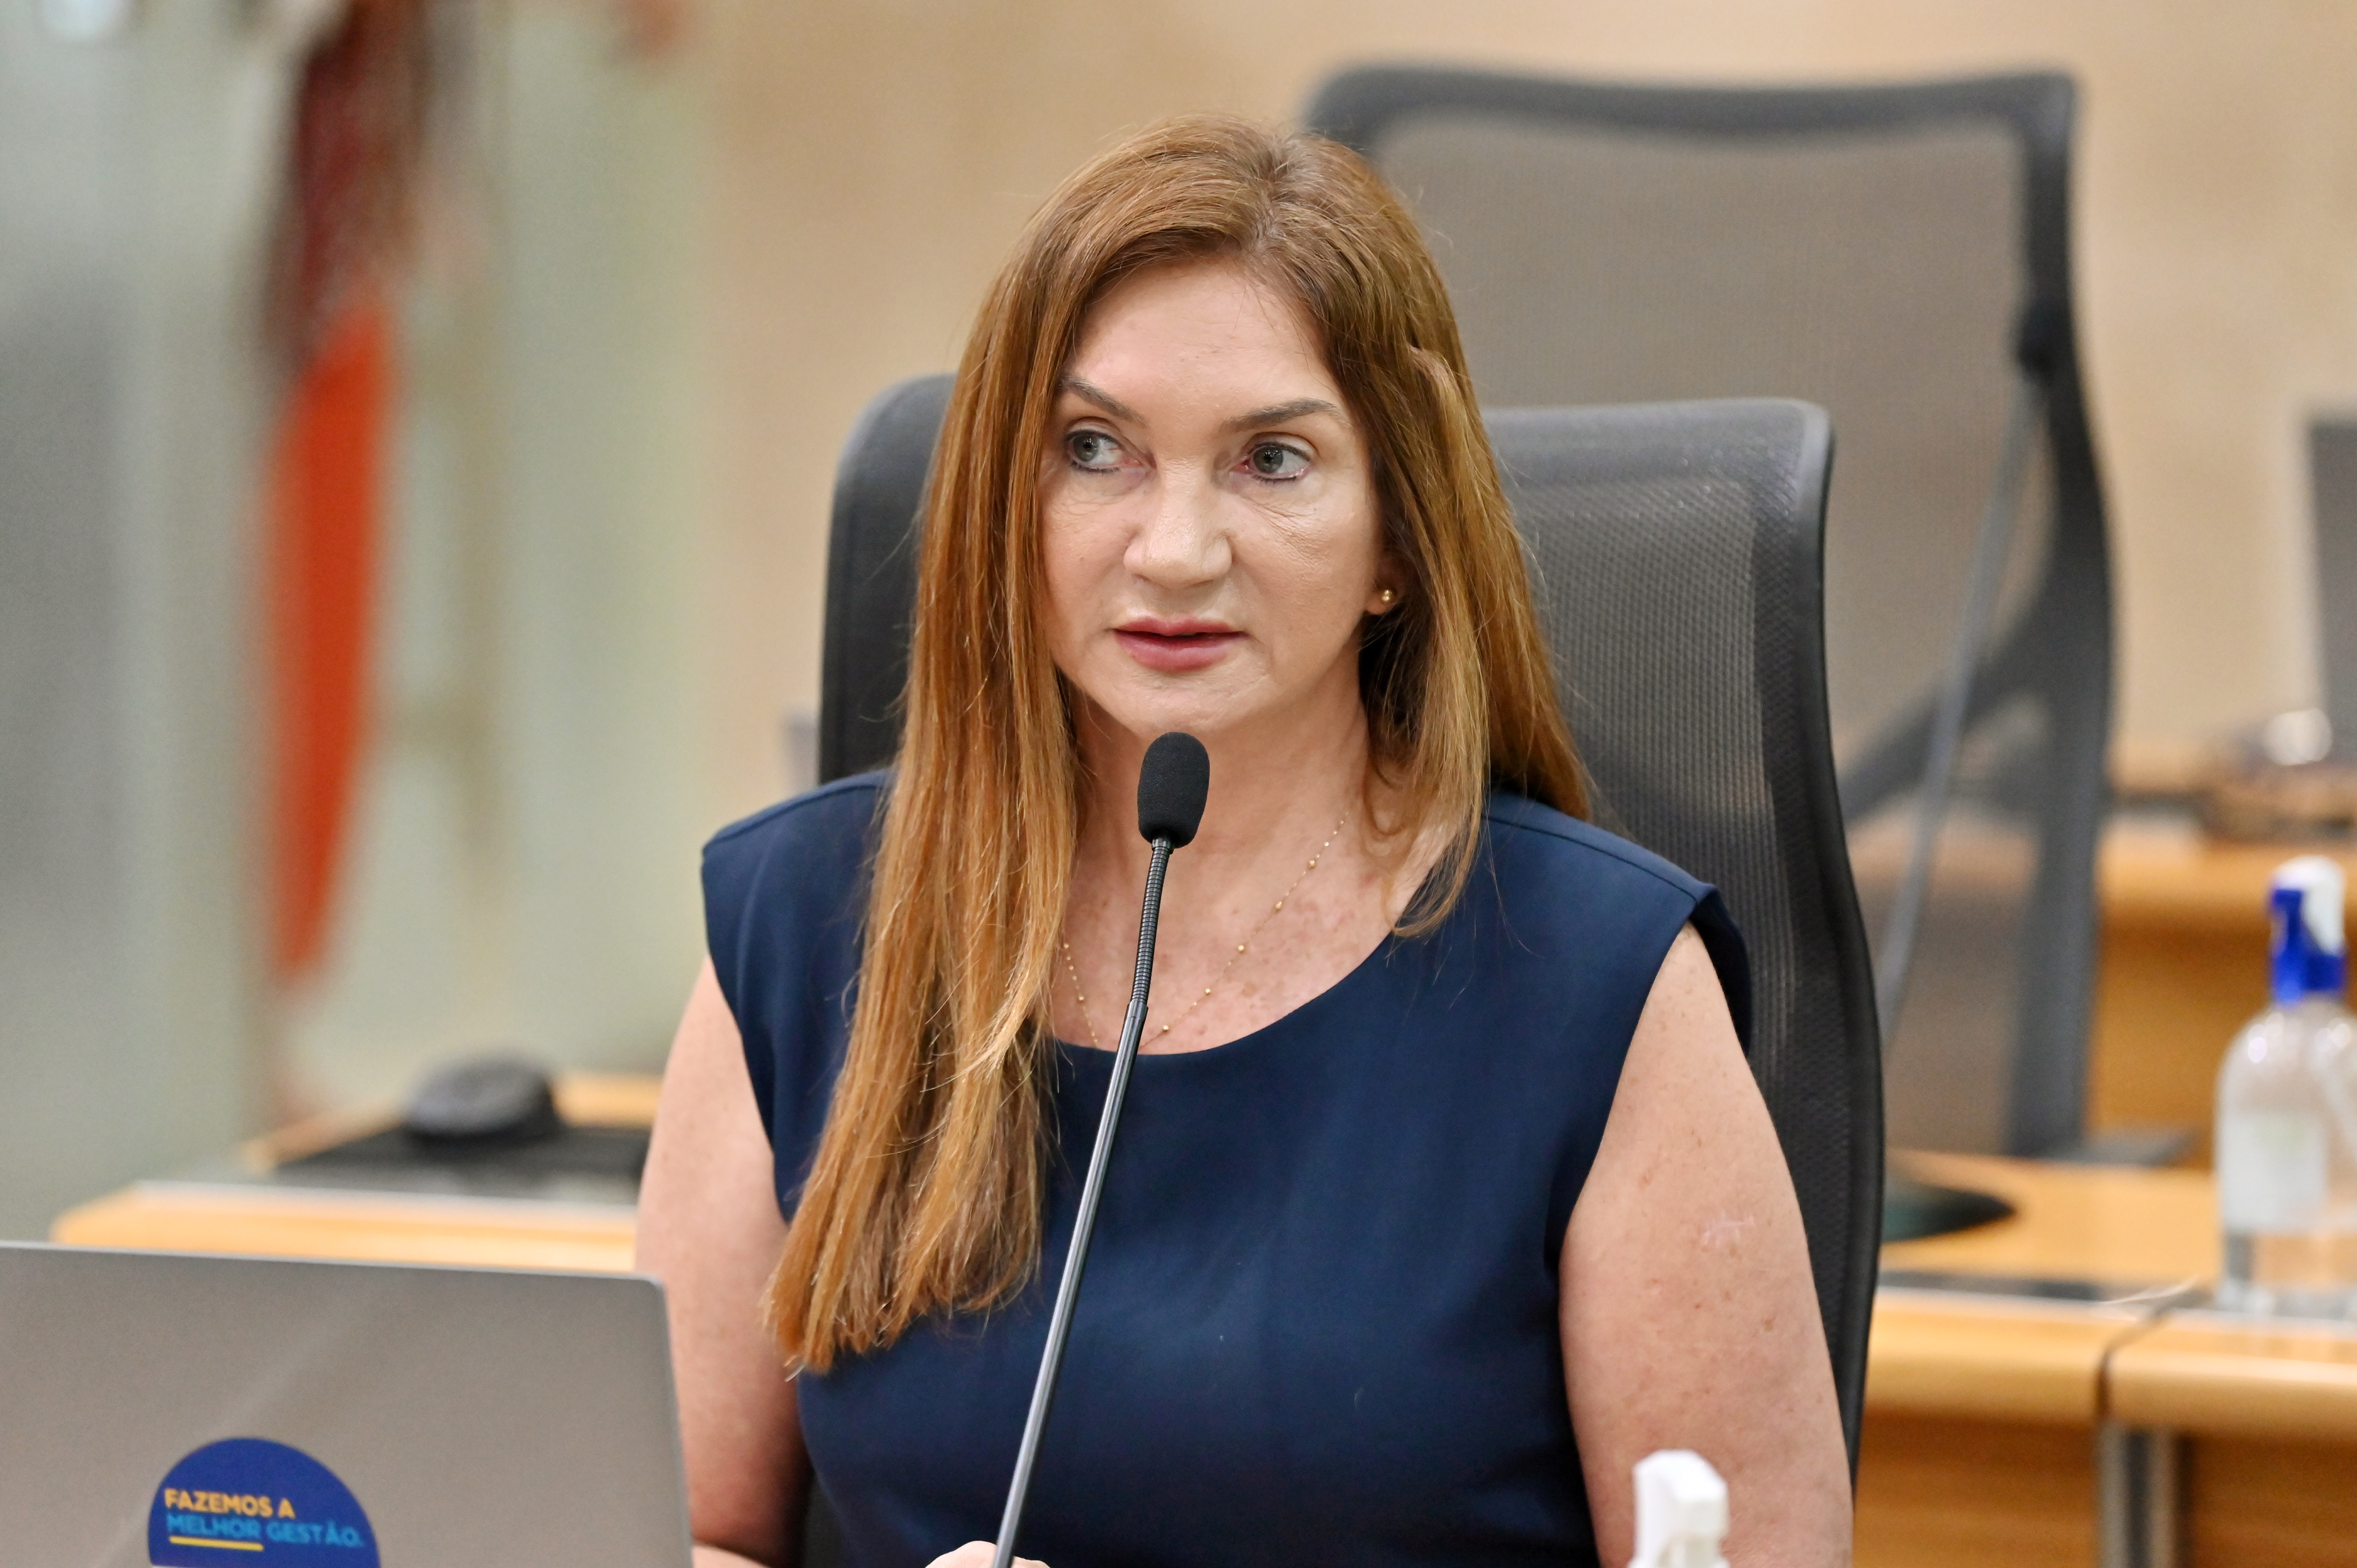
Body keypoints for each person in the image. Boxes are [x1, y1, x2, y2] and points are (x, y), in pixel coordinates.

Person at [636, 115, 1850, 1568]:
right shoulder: (806, 920)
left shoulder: (1597, 986)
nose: (1175, 550)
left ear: (1398, 534)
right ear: (1006, 503)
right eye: (1095, 450)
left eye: (1273, 460)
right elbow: (681, 1534)